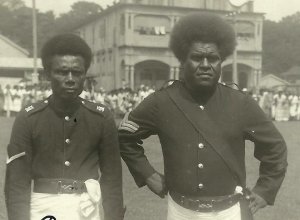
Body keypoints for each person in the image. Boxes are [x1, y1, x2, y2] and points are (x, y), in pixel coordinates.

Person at [118, 13, 287, 220]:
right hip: (181, 211)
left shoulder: (240, 103)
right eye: (197, 57)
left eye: (213, 58)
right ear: (182, 60)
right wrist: (148, 175)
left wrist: (264, 190)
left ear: (221, 61)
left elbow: (275, 147)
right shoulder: (161, 102)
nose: (206, 64)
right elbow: (125, 137)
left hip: (230, 212)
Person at [5, 34, 125, 220]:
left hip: (86, 209)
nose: (70, 79)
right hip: (43, 209)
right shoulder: (28, 118)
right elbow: (17, 184)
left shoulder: (101, 117)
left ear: (85, 75)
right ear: (47, 75)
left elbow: (112, 179)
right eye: (62, 72)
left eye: (77, 73)